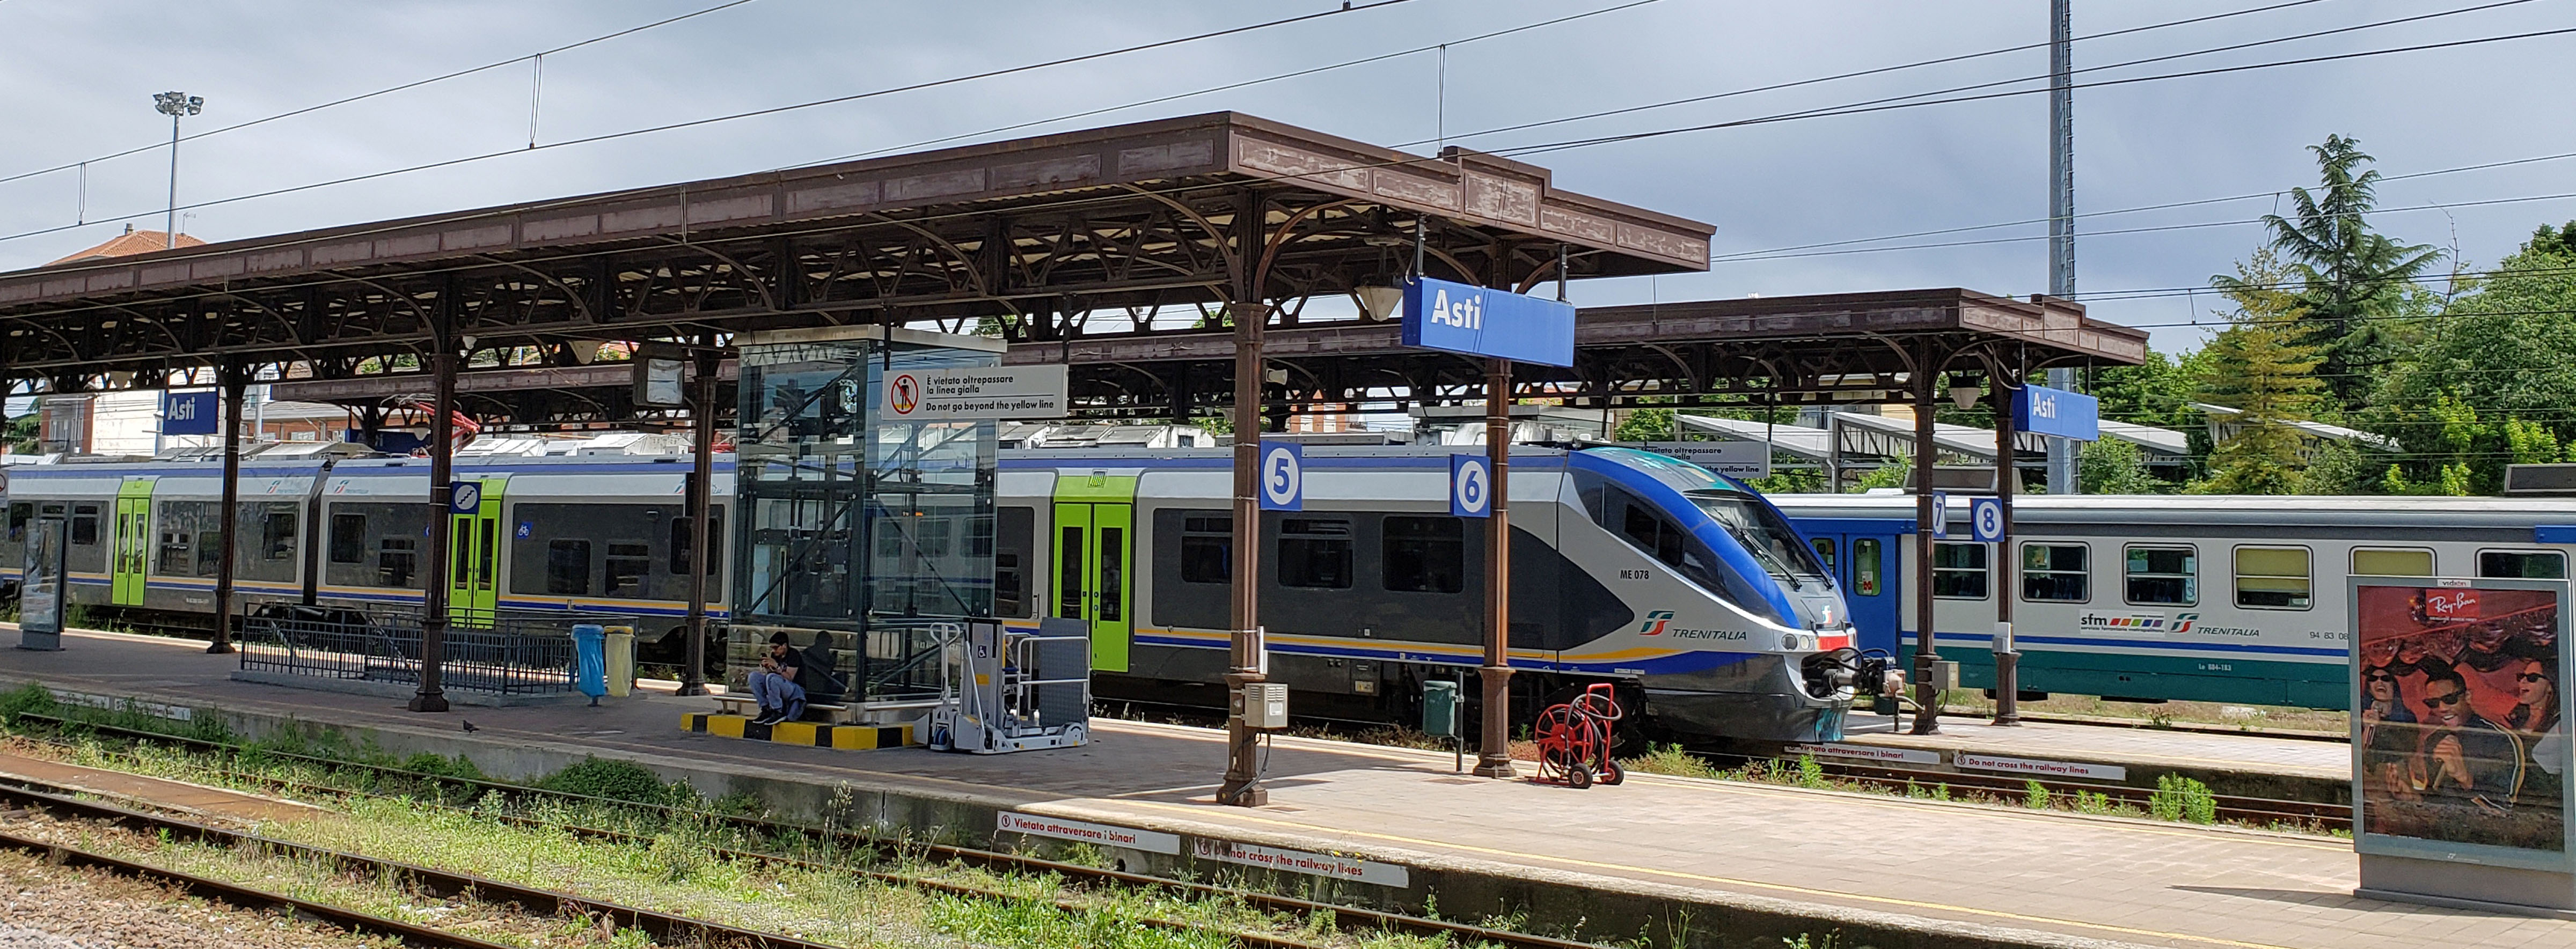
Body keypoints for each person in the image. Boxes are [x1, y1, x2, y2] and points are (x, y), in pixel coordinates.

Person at [2413, 662, 2526, 814]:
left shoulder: (2499, 739)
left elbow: (2506, 810)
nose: (2442, 708)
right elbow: (2435, 798)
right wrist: (2410, 797)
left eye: (2450, 699)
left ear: (2468, 696)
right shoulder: (2434, 740)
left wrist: (2465, 778)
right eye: (2433, 703)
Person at [2359, 663, 2420, 801]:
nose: (2379, 682)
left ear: (2394, 686)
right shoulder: (2363, 715)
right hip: (2372, 777)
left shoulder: (2407, 717)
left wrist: (2382, 726)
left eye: (2385, 678)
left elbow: (2409, 748)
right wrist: (2367, 727)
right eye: (2373, 679)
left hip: (2400, 773)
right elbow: (2360, 751)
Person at [2507, 658, 2562, 808]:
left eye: (2532, 678)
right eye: (2521, 677)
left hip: (2541, 802)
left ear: (2550, 686)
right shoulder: (2514, 718)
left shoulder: (2561, 725)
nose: (2523, 682)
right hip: (2513, 798)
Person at [748, 631, 806, 725]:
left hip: (795, 689)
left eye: (776, 648)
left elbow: (790, 678)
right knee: (754, 677)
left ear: (784, 645)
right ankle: (765, 708)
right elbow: (770, 678)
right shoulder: (775, 655)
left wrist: (777, 667)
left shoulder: (794, 655)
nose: (774, 651)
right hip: (778, 684)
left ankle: (778, 711)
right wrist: (768, 668)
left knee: (772, 678)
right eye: (772, 648)